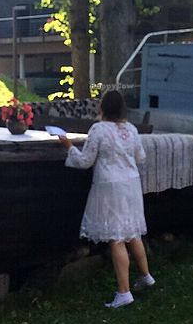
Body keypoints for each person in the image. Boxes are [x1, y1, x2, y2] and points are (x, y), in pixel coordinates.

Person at [59, 90, 154, 308]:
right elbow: (141, 157)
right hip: (131, 184)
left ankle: (124, 292)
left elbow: (85, 161)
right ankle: (146, 276)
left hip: (110, 186)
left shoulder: (98, 129)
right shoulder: (131, 129)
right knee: (132, 232)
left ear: (103, 108)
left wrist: (69, 147)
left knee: (116, 237)